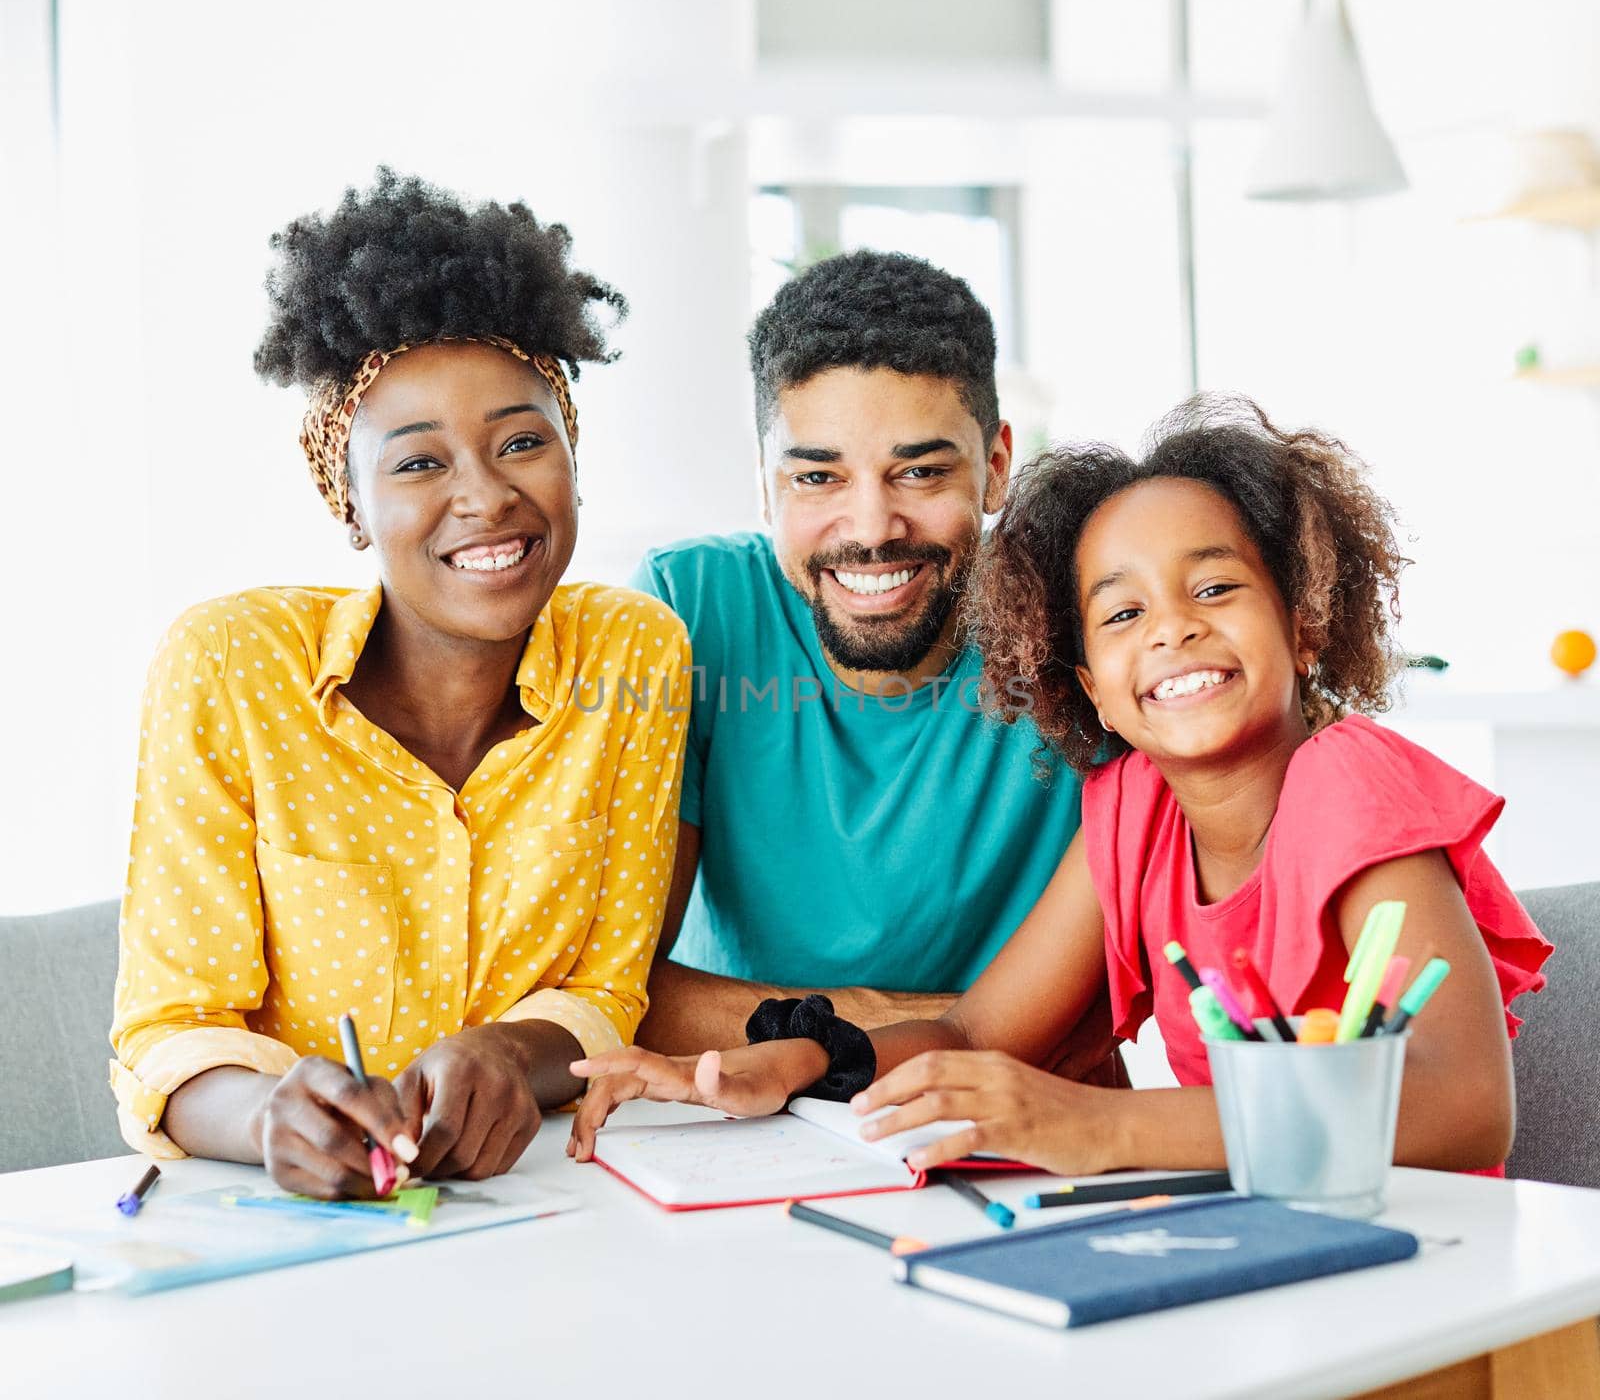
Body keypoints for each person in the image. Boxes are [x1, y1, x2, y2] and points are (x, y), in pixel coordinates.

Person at [569, 396, 1552, 1176]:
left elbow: (1462, 1105)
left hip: (1421, 1256)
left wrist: (1104, 1123)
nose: (1170, 629)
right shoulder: (1132, 812)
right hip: (1265, 1233)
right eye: (1121, 614)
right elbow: (974, 1029)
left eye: (1213, 588)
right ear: (1090, 689)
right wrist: (801, 1061)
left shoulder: (1348, 784)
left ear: (1303, 622)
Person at [110, 170, 690, 1198]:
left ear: (571, 456)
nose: (485, 496)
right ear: (351, 502)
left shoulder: (634, 653)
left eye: (522, 442)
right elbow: (171, 1025)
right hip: (282, 1231)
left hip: (550, 1207)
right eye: (419, 464)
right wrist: (266, 1117)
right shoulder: (231, 666)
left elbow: (607, 987)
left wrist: (511, 1053)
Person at [628, 251, 1104, 1076]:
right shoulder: (686, 608)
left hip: (1008, 1118)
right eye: (819, 476)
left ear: (995, 468)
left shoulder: (1088, 615)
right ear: (765, 485)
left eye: (919, 472)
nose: (872, 526)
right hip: (730, 1111)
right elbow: (618, 987)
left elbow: (1121, 1005)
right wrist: (949, 1023)